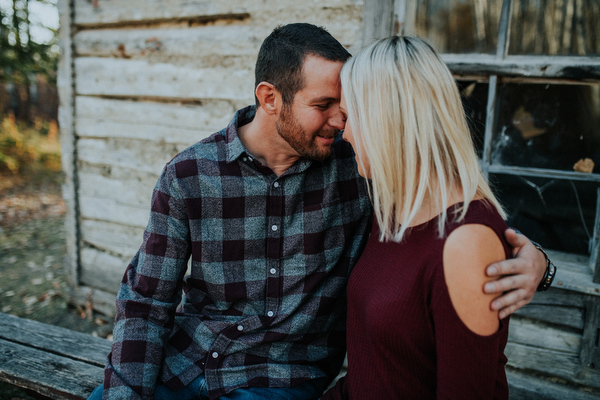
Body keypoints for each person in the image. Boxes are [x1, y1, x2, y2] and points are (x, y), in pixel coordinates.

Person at [89, 24, 551, 400]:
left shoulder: (359, 172)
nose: (341, 125)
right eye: (324, 106)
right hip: (185, 362)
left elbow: (452, 225)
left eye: (348, 111)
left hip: (279, 380)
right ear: (270, 98)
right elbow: (146, 300)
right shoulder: (190, 175)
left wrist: (538, 263)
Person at [323, 36, 521, 399]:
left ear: (387, 120)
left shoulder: (466, 242)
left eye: (350, 117)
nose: (342, 130)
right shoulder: (394, 207)